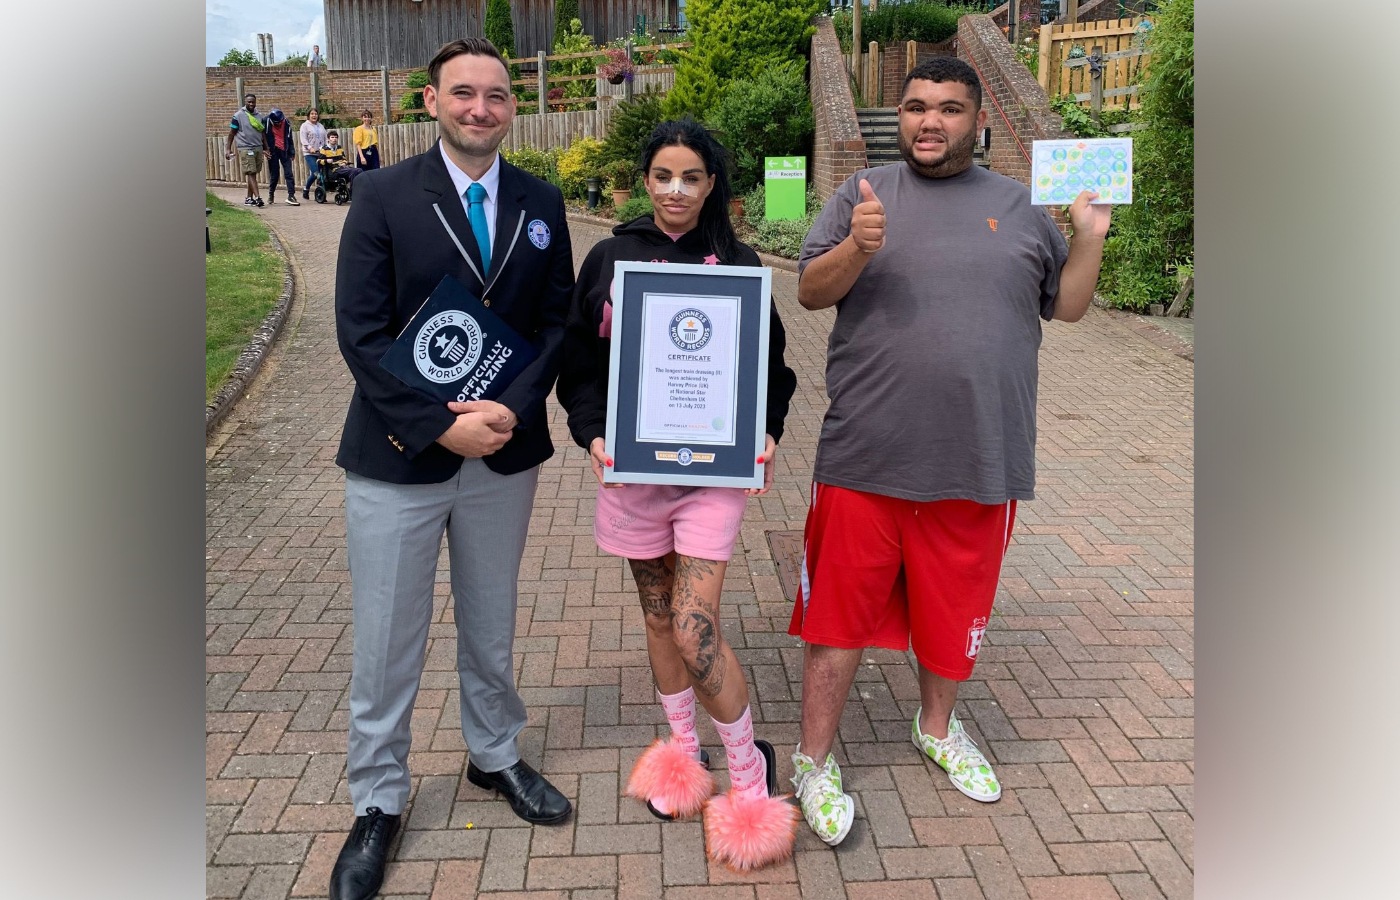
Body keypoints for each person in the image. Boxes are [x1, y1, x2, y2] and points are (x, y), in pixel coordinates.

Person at [786, 57, 1112, 846]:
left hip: (981, 457)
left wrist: (1090, 239)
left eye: (949, 109)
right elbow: (808, 291)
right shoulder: (861, 194)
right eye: (915, 107)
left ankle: (937, 728)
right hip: (868, 452)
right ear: (898, 116)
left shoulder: (1019, 207)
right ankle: (812, 759)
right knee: (837, 621)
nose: (929, 121)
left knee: (953, 613)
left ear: (978, 121)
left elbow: (1064, 307)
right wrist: (857, 249)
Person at [328, 37, 576, 900]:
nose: (480, 109)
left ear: (514, 108)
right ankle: (378, 801)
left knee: (492, 620)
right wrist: (442, 426)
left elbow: (554, 324)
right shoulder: (383, 195)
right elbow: (359, 335)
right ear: (430, 102)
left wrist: (505, 410)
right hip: (396, 460)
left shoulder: (542, 203)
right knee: (388, 639)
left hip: (503, 454)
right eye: (463, 94)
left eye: (497, 96)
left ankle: (494, 755)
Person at [555, 118, 799, 872]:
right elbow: (580, 366)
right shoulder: (610, 258)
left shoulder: (737, 263)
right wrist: (593, 432)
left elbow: (773, 372)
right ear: (643, 180)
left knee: (696, 626)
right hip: (633, 473)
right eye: (663, 175)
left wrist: (765, 431)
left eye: (691, 177)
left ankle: (750, 780)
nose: (675, 191)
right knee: (659, 619)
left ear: (711, 185)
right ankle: (681, 758)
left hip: (710, 478)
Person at [224, 93, 267, 207]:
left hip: (258, 147)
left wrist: (266, 148)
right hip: (245, 148)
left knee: (253, 173)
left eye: (253, 102)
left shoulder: (259, 116)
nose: (251, 104)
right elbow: (232, 133)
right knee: (251, 172)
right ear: (245, 102)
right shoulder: (238, 116)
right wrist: (228, 149)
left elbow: (262, 133)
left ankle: (249, 198)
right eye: (249, 102)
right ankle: (258, 198)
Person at [263, 109, 299, 205]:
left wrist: (292, 151)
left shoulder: (286, 122)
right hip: (272, 151)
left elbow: (289, 137)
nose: (278, 124)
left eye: (280, 122)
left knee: (289, 173)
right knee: (274, 175)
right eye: (276, 123)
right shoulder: (266, 121)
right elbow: (262, 136)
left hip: (285, 151)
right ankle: (271, 194)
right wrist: (265, 149)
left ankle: (291, 195)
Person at [299, 107, 327, 200]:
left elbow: (325, 138)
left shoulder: (320, 126)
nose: (314, 115)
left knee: (322, 173)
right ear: (308, 116)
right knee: (316, 173)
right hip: (309, 153)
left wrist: (326, 148)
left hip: (320, 153)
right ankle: (306, 189)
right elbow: (303, 139)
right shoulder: (305, 126)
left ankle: (320, 193)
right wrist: (309, 148)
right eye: (312, 114)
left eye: (315, 114)